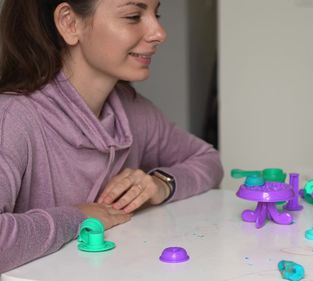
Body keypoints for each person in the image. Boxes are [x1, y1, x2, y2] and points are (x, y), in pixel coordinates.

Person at [0, 0, 223, 273]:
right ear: (70, 23)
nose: (159, 33)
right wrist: (79, 217)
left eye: (157, 13)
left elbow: (208, 161)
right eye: (133, 16)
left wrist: (159, 184)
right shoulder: (11, 118)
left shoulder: (132, 110)